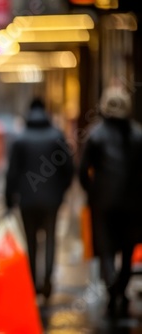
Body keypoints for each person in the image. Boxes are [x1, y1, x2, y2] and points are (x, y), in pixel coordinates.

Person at [79, 86, 142, 317]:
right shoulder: (137, 135)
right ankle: (120, 289)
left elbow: (83, 170)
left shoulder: (95, 134)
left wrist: (92, 191)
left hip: (103, 202)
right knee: (127, 247)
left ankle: (112, 286)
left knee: (106, 247)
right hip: (133, 202)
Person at [5, 98, 74, 300]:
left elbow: (12, 173)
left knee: (31, 240)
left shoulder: (20, 139)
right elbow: (69, 169)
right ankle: (47, 282)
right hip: (52, 199)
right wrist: (61, 191)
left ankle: (33, 282)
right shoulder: (57, 136)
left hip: (27, 200)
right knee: (51, 238)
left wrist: (9, 199)